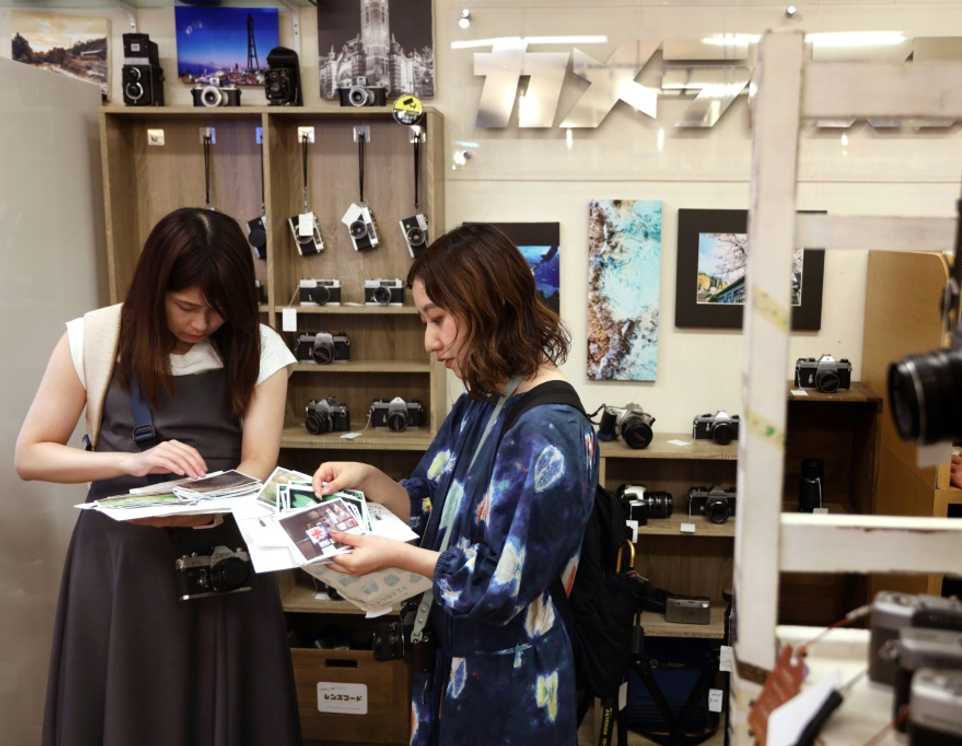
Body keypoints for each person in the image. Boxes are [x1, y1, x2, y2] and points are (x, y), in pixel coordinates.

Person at [15, 208, 301, 746]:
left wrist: (210, 506)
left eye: (217, 311)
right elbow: (32, 455)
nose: (200, 324)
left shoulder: (259, 346)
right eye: (186, 306)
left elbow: (257, 462)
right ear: (154, 288)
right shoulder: (95, 337)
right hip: (121, 561)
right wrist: (129, 463)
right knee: (129, 706)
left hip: (221, 554)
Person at [311, 223, 598, 746]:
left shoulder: (548, 430)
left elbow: (497, 585)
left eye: (437, 319)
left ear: (487, 306)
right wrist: (370, 479)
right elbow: (429, 503)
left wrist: (393, 557)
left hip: (511, 686)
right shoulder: (480, 402)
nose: (430, 342)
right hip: (456, 663)